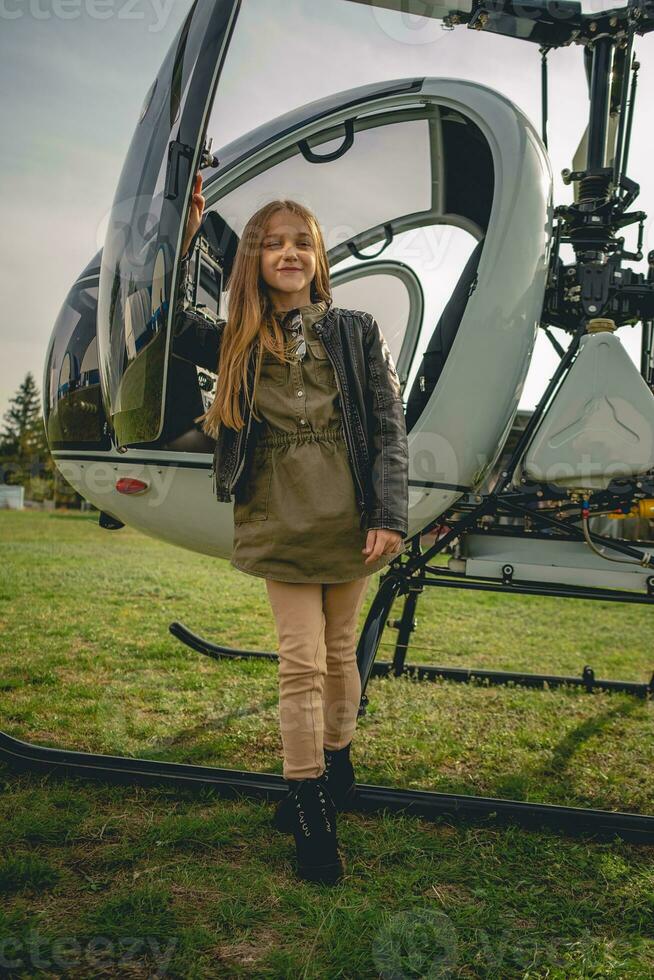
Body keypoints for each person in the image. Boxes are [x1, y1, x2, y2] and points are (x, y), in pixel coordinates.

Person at [174, 173, 409, 885]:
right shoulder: (237, 339)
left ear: (318, 255)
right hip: (280, 516)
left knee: (341, 654)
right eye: (271, 244)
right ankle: (309, 805)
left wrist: (389, 516)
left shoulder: (357, 331)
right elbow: (172, 321)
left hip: (351, 516)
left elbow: (389, 430)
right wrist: (186, 235)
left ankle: (337, 761)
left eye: (300, 242)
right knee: (300, 661)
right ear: (254, 260)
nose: (288, 252)